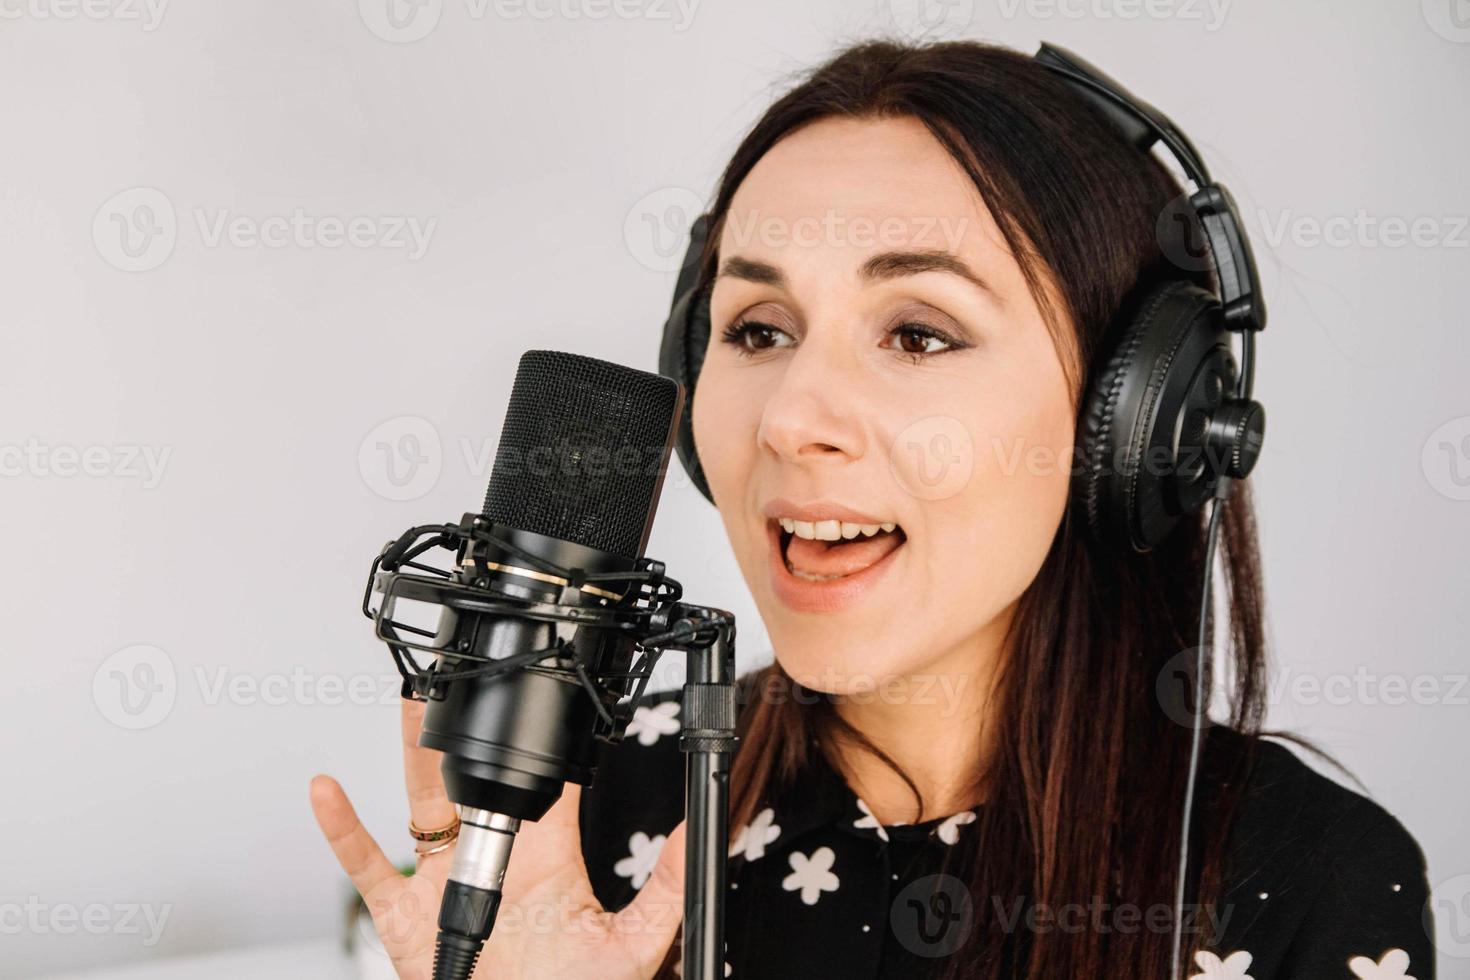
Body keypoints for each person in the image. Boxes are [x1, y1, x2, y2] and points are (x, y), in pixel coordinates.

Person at [310, 38, 1434, 979]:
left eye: (917, 333)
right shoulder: (594, 798)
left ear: (1137, 426)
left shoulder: (1308, 881)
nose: (793, 418)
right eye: (756, 329)